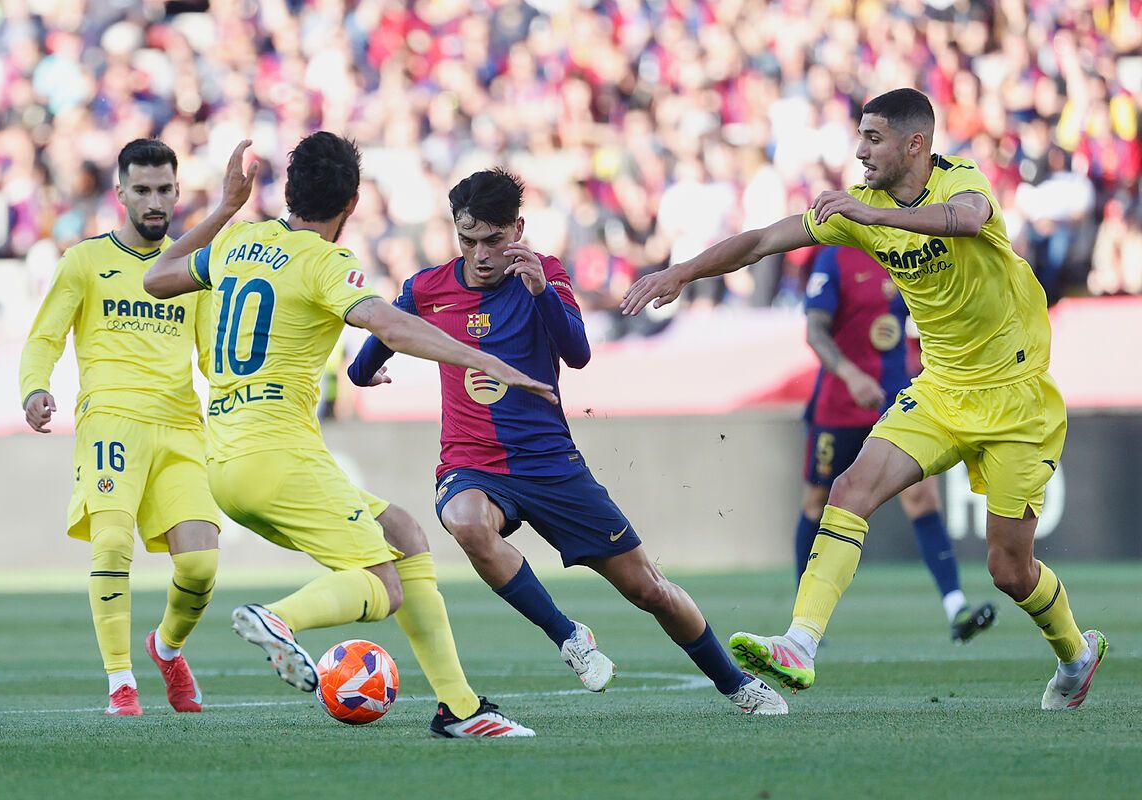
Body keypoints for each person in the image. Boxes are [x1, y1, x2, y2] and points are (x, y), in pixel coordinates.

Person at [622, 88, 1106, 710]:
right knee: (849, 489)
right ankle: (800, 643)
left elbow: (965, 219)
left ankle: (1076, 654)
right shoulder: (860, 208)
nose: (860, 151)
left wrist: (873, 218)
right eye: (860, 136)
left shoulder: (960, 179)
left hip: (1017, 398)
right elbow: (763, 241)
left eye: (873, 138)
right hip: (940, 390)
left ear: (915, 144)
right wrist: (681, 272)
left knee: (1010, 570)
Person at [143, 132, 554, 738]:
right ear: (353, 203)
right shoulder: (325, 263)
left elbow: (157, 277)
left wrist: (227, 206)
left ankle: (461, 710)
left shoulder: (237, 241)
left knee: (404, 534)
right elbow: (389, 323)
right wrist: (484, 359)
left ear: (287, 191)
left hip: (226, 464)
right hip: (279, 454)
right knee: (384, 586)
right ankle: (277, 619)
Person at [348, 169, 788, 717]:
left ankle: (734, 683)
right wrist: (364, 373)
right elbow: (374, 348)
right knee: (464, 520)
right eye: (467, 240)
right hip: (472, 463)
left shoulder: (547, 274)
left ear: (518, 230)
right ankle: (568, 635)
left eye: (493, 240)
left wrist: (540, 293)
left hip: (551, 465)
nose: (480, 255)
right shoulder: (425, 288)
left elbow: (577, 354)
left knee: (648, 589)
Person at [19, 139, 220, 717]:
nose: (155, 202)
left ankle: (167, 648)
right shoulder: (84, 261)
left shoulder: (193, 269)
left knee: (200, 566)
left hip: (181, 424)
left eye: (165, 190)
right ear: (121, 194)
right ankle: (120, 682)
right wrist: (34, 388)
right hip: (110, 419)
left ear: (177, 193)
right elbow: (45, 337)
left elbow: (214, 358)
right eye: (143, 190)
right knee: (111, 542)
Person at [799, 245, 997, 643]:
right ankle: (802, 617)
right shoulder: (835, 257)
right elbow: (815, 331)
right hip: (839, 404)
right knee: (816, 503)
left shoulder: (906, 251)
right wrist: (851, 375)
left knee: (922, 497)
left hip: (894, 400)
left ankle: (956, 608)